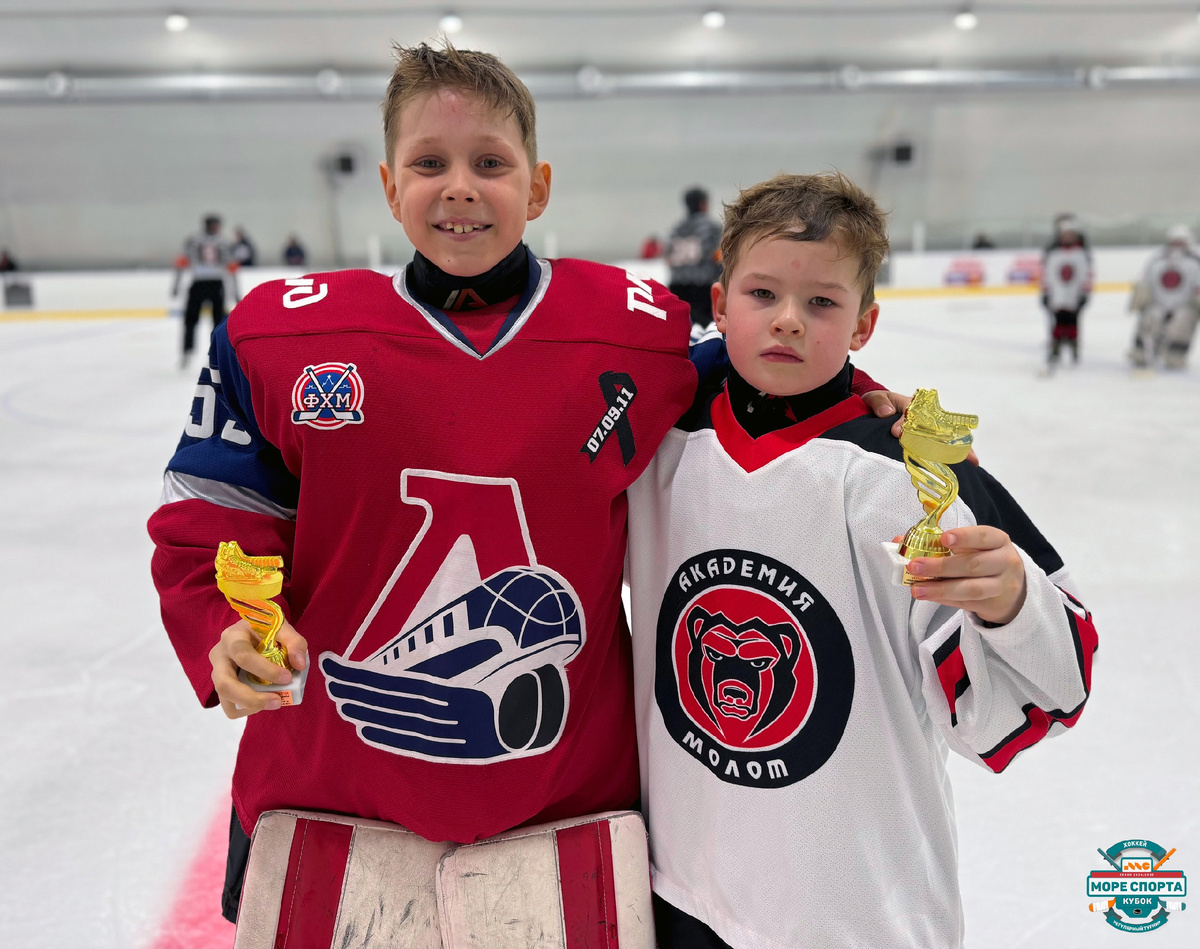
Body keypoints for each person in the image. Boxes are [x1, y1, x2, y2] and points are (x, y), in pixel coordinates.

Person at [147, 45, 903, 927]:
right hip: (326, 787)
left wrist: (848, 396)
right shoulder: (279, 339)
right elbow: (214, 519)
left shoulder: (636, 338)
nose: (460, 187)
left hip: (565, 800)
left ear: (537, 187)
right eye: (430, 163)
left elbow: (759, 371)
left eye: (490, 163)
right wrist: (226, 627)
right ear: (391, 186)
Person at [626, 172, 1098, 949]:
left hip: (851, 913)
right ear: (717, 303)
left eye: (821, 303)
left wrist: (1012, 603)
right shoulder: (661, 439)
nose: (787, 322)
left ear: (864, 324)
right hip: (682, 887)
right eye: (761, 294)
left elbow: (1042, 699)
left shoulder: (917, 475)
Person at [1130, 224, 1200, 369]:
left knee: (1181, 326)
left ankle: (1175, 356)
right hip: (1158, 302)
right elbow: (1146, 281)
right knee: (1149, 320)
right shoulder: (1157, 259)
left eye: (1181, 242)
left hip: (1184, 305)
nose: (1177, 245)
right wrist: (1142, 296)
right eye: (1175, 241)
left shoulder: (1195, 261)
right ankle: (1141, 353)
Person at [173, 214, 235, 369]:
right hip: (202, 283)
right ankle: (187, 351)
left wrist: (176, 284)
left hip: (212, 283)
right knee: (193, 319)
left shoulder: (211, 241)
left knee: (217, 322)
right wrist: (176, 284)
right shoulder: (201, 240)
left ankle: (216, 354)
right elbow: (182, 262)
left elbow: (231, 266)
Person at [665, 186, 723, 331]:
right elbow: (719, 256)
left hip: (677, 286)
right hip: (702, 287)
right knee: (708, 329)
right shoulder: (711, 227)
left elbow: (668, 257)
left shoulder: (676, 228)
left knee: (682, 328)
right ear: (703, 204)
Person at [1040, 215, 1092, 368]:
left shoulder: (1081, 254)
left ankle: (1074, 350)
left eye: (1070, 235)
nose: (1067, 237)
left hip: (1074, 296)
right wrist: (1045, 294)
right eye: (1065, 235)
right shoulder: (1053, 254)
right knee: (1057, 324)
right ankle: (1055, 349)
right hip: (1057, 296)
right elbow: (1047, 275)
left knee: (1073, 323)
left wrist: (1084, 294)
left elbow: (1086, 276)